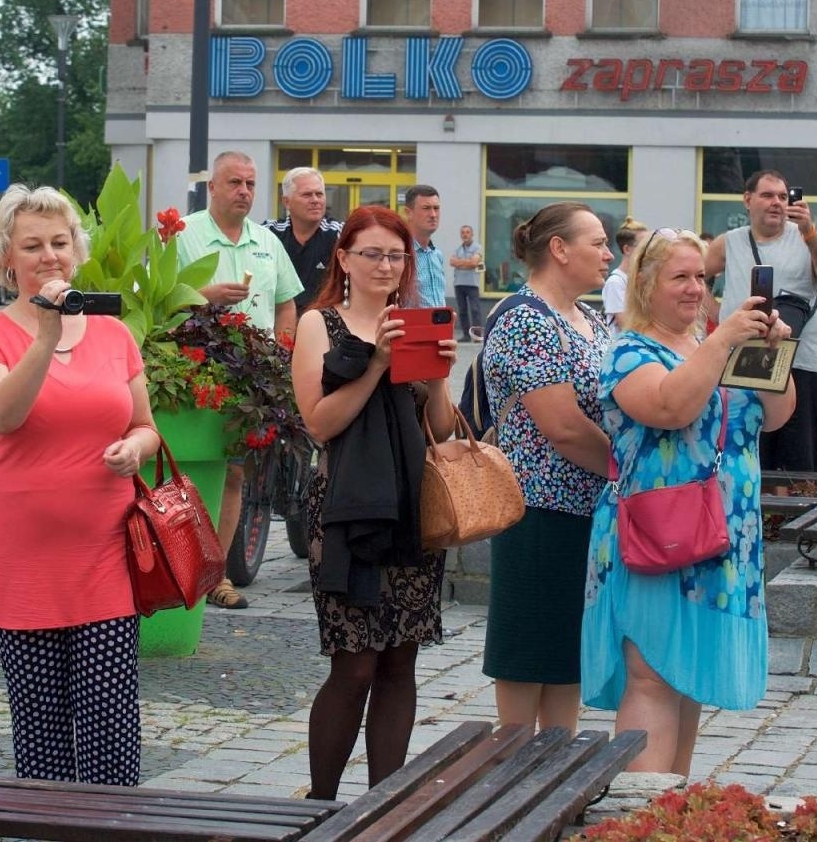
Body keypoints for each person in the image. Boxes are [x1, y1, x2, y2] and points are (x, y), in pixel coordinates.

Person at [0, 184, 160, 785]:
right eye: (33, 246)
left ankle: (111, 828)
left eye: (59, 242)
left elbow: (147, 427)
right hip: (22, 551)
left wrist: (134, 448)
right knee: (41, 724)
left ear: (76, 249)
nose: (49, 256)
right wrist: (46, 336)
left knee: (110, 718)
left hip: (103, 544)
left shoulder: (113, 334)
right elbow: (1, 416)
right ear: (7, 259)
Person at [584, 229, 795, 774]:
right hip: (658, 533)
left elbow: (774, 416)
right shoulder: (630, 350)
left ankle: (670, 813)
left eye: (701, 277)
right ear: (646, 284)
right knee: (653, 674)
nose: (694, 288)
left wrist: (775, 355)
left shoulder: (710, 346)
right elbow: (670, 406)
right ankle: (635, 820)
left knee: (689, 674)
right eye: (680, 276)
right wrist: (723, 341)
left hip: (724, 533)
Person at [289, 205, 458, 800]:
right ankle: (322, 801)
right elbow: (319, 423)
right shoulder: (321, 324)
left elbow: (439, 426)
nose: (386, 265)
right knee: (354, 663)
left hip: (409, 505)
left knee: (398, 663)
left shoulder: (413, 322)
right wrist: (377, 365)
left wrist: (438, 375)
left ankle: (385, 804)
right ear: (345, 259)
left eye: (396, 255)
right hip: (344, 509)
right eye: (373, 254)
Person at [481, 203, 613, 733]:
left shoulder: (590, 318)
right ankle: (510, 784)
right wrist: (630, 471)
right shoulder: (525, 320)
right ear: (559, 249)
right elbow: (563, 427)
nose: (608, 254)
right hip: (538, 511)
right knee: (526, 659)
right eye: (597, 242)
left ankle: (555, 778)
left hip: (587, 508)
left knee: (565, 662)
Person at [174, 151, 301, 609]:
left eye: (250, 184)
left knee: (233, 476)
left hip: (253, 377)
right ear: (212, 187)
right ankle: (177, 570)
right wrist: (203, 296)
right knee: (189, 474)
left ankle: (216, 576)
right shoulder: (183, 235)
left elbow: (287, 301)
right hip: (195, 375)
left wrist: (283, 350)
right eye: (234, 183)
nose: (244, 192)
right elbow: (153, 299)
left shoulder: (267, 241)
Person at [705, 171, 817, 473]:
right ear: (747, 199)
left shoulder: (805, 238)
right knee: (750, 460)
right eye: (767, 195)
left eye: (782, 196)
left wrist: (810, 231)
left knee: (802, 468)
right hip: (745, 366)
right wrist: (716, 312)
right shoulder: (729, 242)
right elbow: (694, 274)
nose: (776, 203)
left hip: (802, 363)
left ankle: (798, 520)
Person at [266, 166, 341, 315]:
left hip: (326, 324)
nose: (315, 200)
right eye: (307, 195)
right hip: (278, 324)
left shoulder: (340, 234)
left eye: (319, 194)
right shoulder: (268, 233)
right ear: (286, 202)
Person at [403, 184, 446, 308]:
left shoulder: (437, 255)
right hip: (410, 326)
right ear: (408, 213)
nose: (433, 214)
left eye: (436, 208)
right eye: (426, 208)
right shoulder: (400, 254)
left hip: (440, 326)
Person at [601, 220, 646, 336]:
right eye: (643, 246)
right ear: (627, 249)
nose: (648, 251)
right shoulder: (615, 282)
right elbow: (626, 325)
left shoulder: (639, 279)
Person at [449, 225, 485, 341]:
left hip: (472, 284)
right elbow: (452, 262)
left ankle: (477, 335)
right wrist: (467, 263)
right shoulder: (457, 249)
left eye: (467, 232)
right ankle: (466, 335)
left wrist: (460, 263)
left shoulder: (477, 248)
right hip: (459, 283)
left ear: (472, 234)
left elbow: (474, 263)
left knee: (475, 310)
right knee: (462, 311)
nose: (465, 235)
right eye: (463, 233)